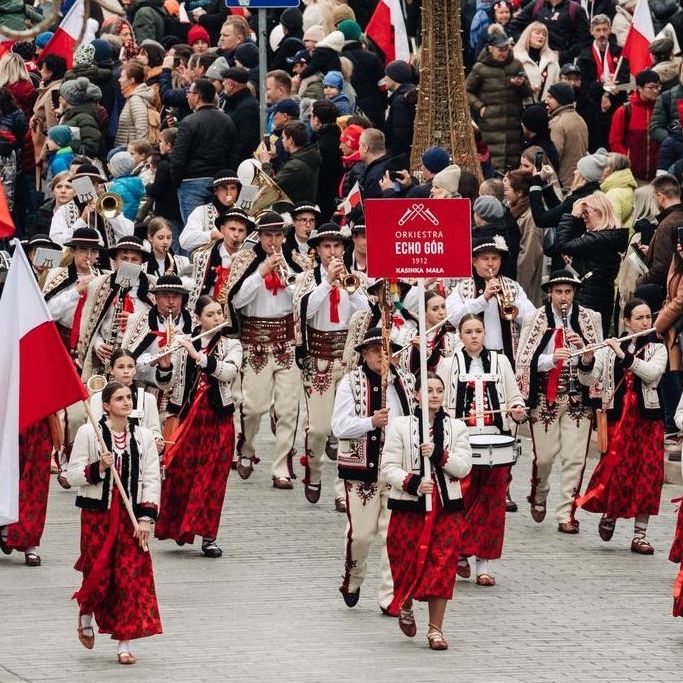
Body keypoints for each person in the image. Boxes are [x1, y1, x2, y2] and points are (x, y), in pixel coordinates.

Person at [67, 381, 162, 665]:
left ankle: (124, 643)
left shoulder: (144, 437)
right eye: (119, 398)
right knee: (99, 574)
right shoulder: (89, 433)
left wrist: (146, 518)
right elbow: (71, 475)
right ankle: (86, 611)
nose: (126, 402)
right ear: (106, 405)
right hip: (98, 517)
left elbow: (151, 478)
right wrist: (97, 468)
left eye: (128, 397)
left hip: (131, 518)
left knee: (130, 579)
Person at [381, 372, 472, 650]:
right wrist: (413, 483)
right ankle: (405, 602)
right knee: (405, 560)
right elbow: (388, 468)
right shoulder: (400, 426)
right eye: (428, 390)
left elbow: (464, 467)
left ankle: (435, 629)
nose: (434, 395)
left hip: (447, 510)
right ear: (417, 395)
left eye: (439, 390)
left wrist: (439, 455)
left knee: (442, 566)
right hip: (410, 508)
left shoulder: (457, 428)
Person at [331, 327, 416, 612]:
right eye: (376, 351)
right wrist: (370, 422)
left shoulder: (406, 380)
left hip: (396, 469)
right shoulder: (350, 382)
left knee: (392, 535)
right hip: (361, 469)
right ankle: (353, 576)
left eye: (387, 350)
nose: (382, 356)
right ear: (365, 354)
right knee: (361, 535)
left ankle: (389, 597)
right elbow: (339, 426)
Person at [438, 314, 526, 585]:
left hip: (495, 443)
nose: (474, 336)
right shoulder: (449, 364)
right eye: (468, 332)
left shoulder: (501, 362)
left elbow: (514, 397)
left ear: (485, 334)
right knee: (461, 500)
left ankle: (484, 566)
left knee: (491, 504)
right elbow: (439, 402)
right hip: (462, 443)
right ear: (460, 336)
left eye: (478, 331)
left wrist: (518, 410)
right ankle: (461, 552)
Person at [516, 269, 603, 533]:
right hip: (545, 398)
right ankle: (539, 492)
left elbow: (599, 365)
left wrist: (586, 355)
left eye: (568, 292)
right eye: (558, 292)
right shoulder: (535, 319)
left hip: (578, 398)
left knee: (575, 458)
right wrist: (551, 359)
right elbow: (523, 360)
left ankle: (566, 513)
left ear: (574, 293)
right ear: (550, 293)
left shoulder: (590, 318)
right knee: (544, 457)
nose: (563, 297)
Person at [576, 299, 666, 554]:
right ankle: (610, 513)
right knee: (615, 470)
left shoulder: (658, 348)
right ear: (627, 321)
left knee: (649, 475)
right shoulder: (609, 348)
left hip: (647, 421)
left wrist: (623, 355)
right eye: (639, 318)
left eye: (648, 317)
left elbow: (651, 374)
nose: (645, 322)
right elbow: (589, 379)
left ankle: (640, 535)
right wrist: (587, 359)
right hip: (619, 420)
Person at [155, 296, 242, 557]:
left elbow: (227, 373)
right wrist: (165, 363)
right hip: (189, 419)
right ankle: (180, 527)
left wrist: (198, 356)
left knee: (212, 480)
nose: (217, 319)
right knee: (180, 473)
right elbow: (167, 385)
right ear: (199, 319)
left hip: (218, 421)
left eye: (219, 313)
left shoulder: (232, 344)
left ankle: (208, 537)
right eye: (211, 315)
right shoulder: (184, 342)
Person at [222, 211, 302, 488]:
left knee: (288, 410)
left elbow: (303, 300)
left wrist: (286, 274)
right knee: (253, 408)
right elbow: (237, 301)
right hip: (255, 343)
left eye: (278, 235)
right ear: (260, 236)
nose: (274, 240)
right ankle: (246, 447)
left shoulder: (295, 260)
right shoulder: (245, 260)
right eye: (268, 235)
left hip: (287, 344)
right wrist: (261, 272)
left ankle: (280, 468)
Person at [292, 223, 369, 505]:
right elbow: (305, 313)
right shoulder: (306, 280)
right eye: (327, 247)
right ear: (317, 250)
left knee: (348, 427)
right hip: (318, 360)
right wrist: (327, 283)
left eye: (337, 246)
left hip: (348, 359)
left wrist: (347, 287)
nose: (332, 252)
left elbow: (366, 312)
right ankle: (313, 473)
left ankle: (342, 490)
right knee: (319, 429)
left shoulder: (356, 278)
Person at [76, 236, 156, 382]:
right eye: (124, 258)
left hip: (140, 358)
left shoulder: (154, 287)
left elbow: (162, 323)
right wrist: (98, 344)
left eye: (134, 259)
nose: (129, 263)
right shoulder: (98, 285)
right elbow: (88, 325)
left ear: (141, 263)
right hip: (107, 358)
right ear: (115, 261)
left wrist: (136, 319)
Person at [446, 236, 535, 364]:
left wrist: (511, 301)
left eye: (495, 258)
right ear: (474, 261)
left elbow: (532, 319)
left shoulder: (513, 286)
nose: (490, 263)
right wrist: (483, 299)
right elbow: (452, 317)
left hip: (506, 357)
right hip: (473, 359)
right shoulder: (462, 287)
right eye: (485, 258)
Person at [555, 191, 629, 336]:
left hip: (589, 300)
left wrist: (572, 216)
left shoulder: (599, 238)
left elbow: (562, 244)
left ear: (599, 211)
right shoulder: (606, 236)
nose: (583, 217)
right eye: (582, 214)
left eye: (586, 212)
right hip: (597, 297)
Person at [170, 78, 239, 223]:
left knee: (194, 232)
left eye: (189, 92)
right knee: (218, 228)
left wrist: (176, 182)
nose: (187, 96)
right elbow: (234, 154)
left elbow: (178, 157)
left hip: (191, 183)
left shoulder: (188, 122)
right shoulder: (227, 120)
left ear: (197, 97)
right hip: (219, 182)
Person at [466, 31, 532, 172]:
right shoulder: (480, 68)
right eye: (500, 50)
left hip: (513, 126)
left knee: (512, 170)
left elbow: (528, 92)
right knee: (492, 168)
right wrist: (480, 107)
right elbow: (466, 91)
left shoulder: (516, 65)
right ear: (490, 48)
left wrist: (521, 84)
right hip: (490, 126)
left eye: (506, 49)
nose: (503, 53)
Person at [0, 413, 55, 566]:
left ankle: (30, 544)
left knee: (36, 484)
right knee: (7, 476)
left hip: (39, 420)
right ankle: (5, 526)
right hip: (9, 415)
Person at [121, 274, 194, 389]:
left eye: (175, 296)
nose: (171, 301)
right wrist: (153, 360)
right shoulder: (137, 319)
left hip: (182, 392)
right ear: (156, 298)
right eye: (165, 295)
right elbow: (129, 359)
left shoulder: (194, 322)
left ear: (182, 297)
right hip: (147, 388)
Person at [89, 349, 163, 452]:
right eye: (120, 367)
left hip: (140, 459)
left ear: (135, 369)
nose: (126, 371)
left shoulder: (148, 399)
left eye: (130, 366)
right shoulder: (98, 398)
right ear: (111, 369)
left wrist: (157, 440)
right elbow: (92, 433)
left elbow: (154, 432)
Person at [42, 227, 101, 354]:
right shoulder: (56, 275)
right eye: (83, 249)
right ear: (73, 251)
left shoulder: (103, 279)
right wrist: (76, 291)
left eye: (94, 251)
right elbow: (48, 313)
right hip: (60, 338)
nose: (89, 256)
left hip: (91, 342)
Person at [49, 164, 135, 251]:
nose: (86, 186)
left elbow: (127, 234)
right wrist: (82, 220)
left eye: (91, 182)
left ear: (97, 186)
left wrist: (107, 213)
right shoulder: (64, 211)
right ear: (75, 185)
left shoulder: (109, 205)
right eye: (81, 182)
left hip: (105, 262)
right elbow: (56, 242)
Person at [188, 207, 254, 310]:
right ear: (222, 229)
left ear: (246, 234)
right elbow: (194, 298)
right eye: (232, 229)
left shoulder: (251, 260)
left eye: (241, 230)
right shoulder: (202, 257)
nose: (236, 234)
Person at [608, 69, 661, 184]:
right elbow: (615, 142)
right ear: (639, 88)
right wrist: (627, 161)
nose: (656, 91)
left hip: (658, 177)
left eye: (658, 87)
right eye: (651, 87)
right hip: (632, 177)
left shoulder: (661, 110)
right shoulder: (625, 111)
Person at [394, 290, 460, 377]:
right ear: (424, 312)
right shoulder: (405, 336)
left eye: (443, 307)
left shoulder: (454, 339)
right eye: (435, 309)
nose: (441, 312)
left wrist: (428, 352)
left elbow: (455, 368)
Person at [257, 120, 321, 205]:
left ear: (290, 140)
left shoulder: (295, 166)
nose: (282, 140)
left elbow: (268, 189)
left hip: (291, 211)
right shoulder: (305, 157)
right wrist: (274, 158)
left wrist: (265, 163)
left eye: (283, 137)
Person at [505, 169, 544, 307]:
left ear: (519, 192)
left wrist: (518, 289)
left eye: (507, 189)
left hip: (525, 285)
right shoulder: (513, 211)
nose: (505, 193)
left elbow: (529, 255)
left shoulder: (530, 217)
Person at [179, 169, 242, 254]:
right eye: (224, 188)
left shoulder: (244, 213)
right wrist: (212, 235)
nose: (229, 193)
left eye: (233, 188)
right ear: (216, 191)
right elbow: (184, 240)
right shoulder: (200, 211)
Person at [545, 81, 590, 190]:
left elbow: (553, 157)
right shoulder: (580, 119)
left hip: (564, 184)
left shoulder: (557, 123)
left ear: (560, 99)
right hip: (579, 180)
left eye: (550, 97)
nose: (546, 101)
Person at [513, 21, 560, 104]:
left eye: (544, 34)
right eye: (537, 33)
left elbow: (557, 82)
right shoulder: (516, 57)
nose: (541, 36)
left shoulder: (552, 59)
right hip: (521, 106)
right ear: (528, 35)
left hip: (546, 107)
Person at [144, 217, 192, 282]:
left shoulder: (184, 262)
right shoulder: (143, 264)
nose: (166, 242)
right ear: (150, 238)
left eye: (169, 238)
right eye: (161, 238)